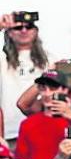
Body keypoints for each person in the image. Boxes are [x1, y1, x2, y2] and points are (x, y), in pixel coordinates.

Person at [0, 15, 50, 145]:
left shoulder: (51, 60)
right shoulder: (2, 59)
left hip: (41, 131)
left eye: (28, 27)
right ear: (9, 33)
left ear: (36, 31)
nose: (24, 31)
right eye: (18, 27)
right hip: (9, 134)